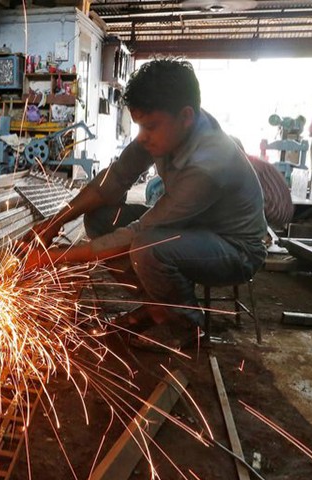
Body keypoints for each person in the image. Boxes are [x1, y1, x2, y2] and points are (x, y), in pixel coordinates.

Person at [22, 58, 267, 350]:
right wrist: (53, 223)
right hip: (188, 227)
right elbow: (112, 182)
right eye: (139, 125)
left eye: (150, 126)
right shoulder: (171, 125)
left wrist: (52, 258)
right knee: (100, 219)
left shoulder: (209, 165)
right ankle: (159, 303)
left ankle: (187, 326)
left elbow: (136, 234)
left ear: (186, 116)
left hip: (234, 249)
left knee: (147, 248)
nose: (142, 137)